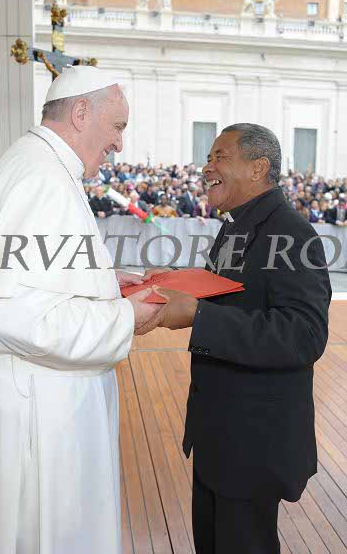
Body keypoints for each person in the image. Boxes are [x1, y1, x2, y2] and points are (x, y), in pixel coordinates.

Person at [0, 66, 163, 554]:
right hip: (36, 410)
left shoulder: (30, 160)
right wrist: (126, 317)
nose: (120, 143)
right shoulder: (45, 180)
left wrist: (100, 280)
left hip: (6, 389)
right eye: (118, 126)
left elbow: (28, 276)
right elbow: (17, 318)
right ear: (81, 112)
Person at [139, 123, 331, 553]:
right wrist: (179, 282)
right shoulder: (236, 228)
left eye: (219, 157)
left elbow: (304, 334)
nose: (207, 167)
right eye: (209, 158)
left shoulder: (292, 233)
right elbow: (231, 293)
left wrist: (199, 316)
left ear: (258, 168)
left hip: (253, 444)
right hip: (221, 436)